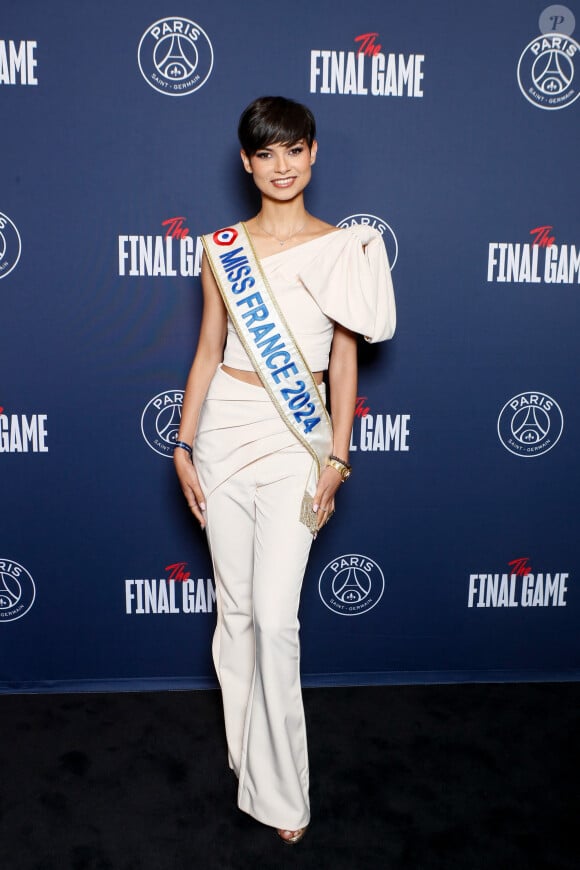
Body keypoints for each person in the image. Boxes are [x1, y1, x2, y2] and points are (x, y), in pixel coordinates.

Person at [173, 96, 395, 844]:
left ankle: (283, 795)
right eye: (265, 154)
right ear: (246, 162)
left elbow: (342, 357)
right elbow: (208, 349)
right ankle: (249, 758)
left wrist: (337, 454)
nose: (280, 166)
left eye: (293, 150)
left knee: (274, 617)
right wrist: (182, 444)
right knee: (233, 611)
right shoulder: (220, 247)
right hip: (223, 435)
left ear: (313, 152)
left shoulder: (343, 247)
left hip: (295, 441)